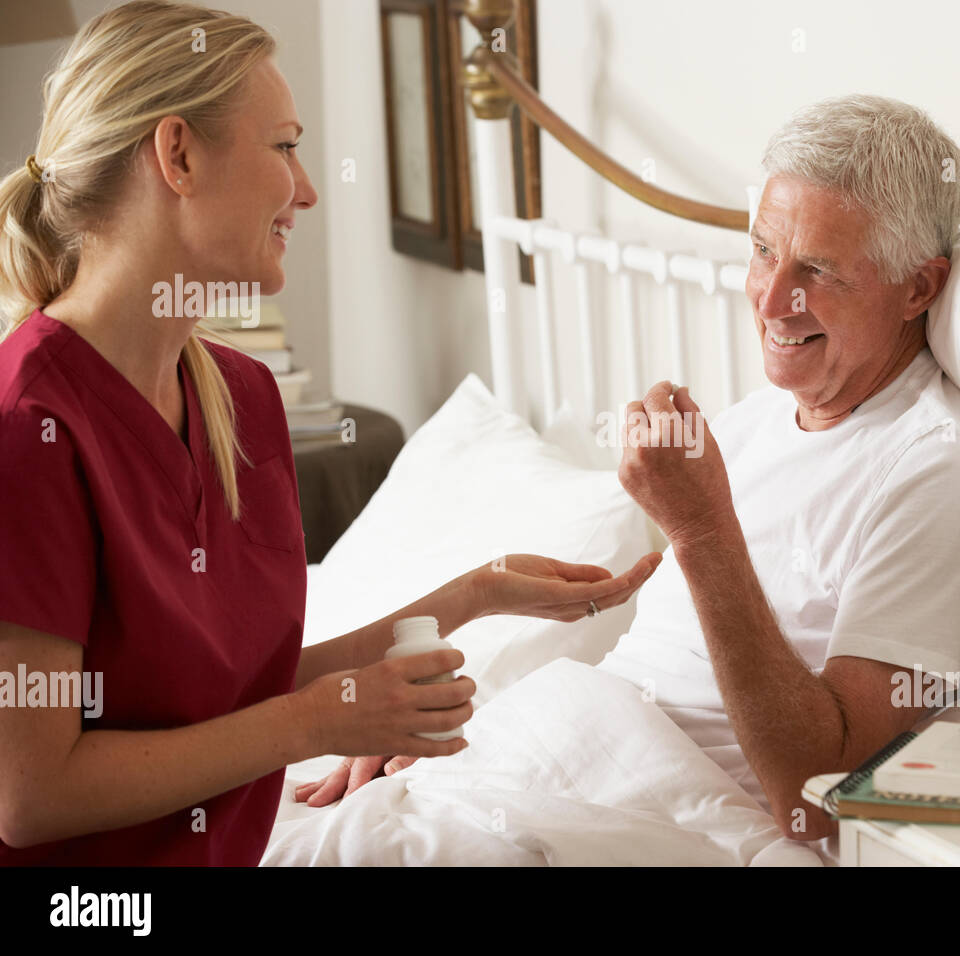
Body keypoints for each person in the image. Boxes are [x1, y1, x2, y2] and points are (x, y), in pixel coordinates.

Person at [0, 0, 659, 866]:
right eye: (283, 146)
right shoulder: (29, 428)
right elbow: (32, 796)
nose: (306, 188)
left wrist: (476, 594)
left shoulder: (239, 396)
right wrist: (318, 721)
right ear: (178, 154)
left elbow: (232, 693)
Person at [299, 95, 960, 845]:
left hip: (690, 821)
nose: (770, 298)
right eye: (764, 250)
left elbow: (813, 802)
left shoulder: (930, 468)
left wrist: (699, 527)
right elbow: (648, 672)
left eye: (819, 270)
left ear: (919, 287)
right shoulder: (752, 419)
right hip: (560, 755)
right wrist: (454, 728)